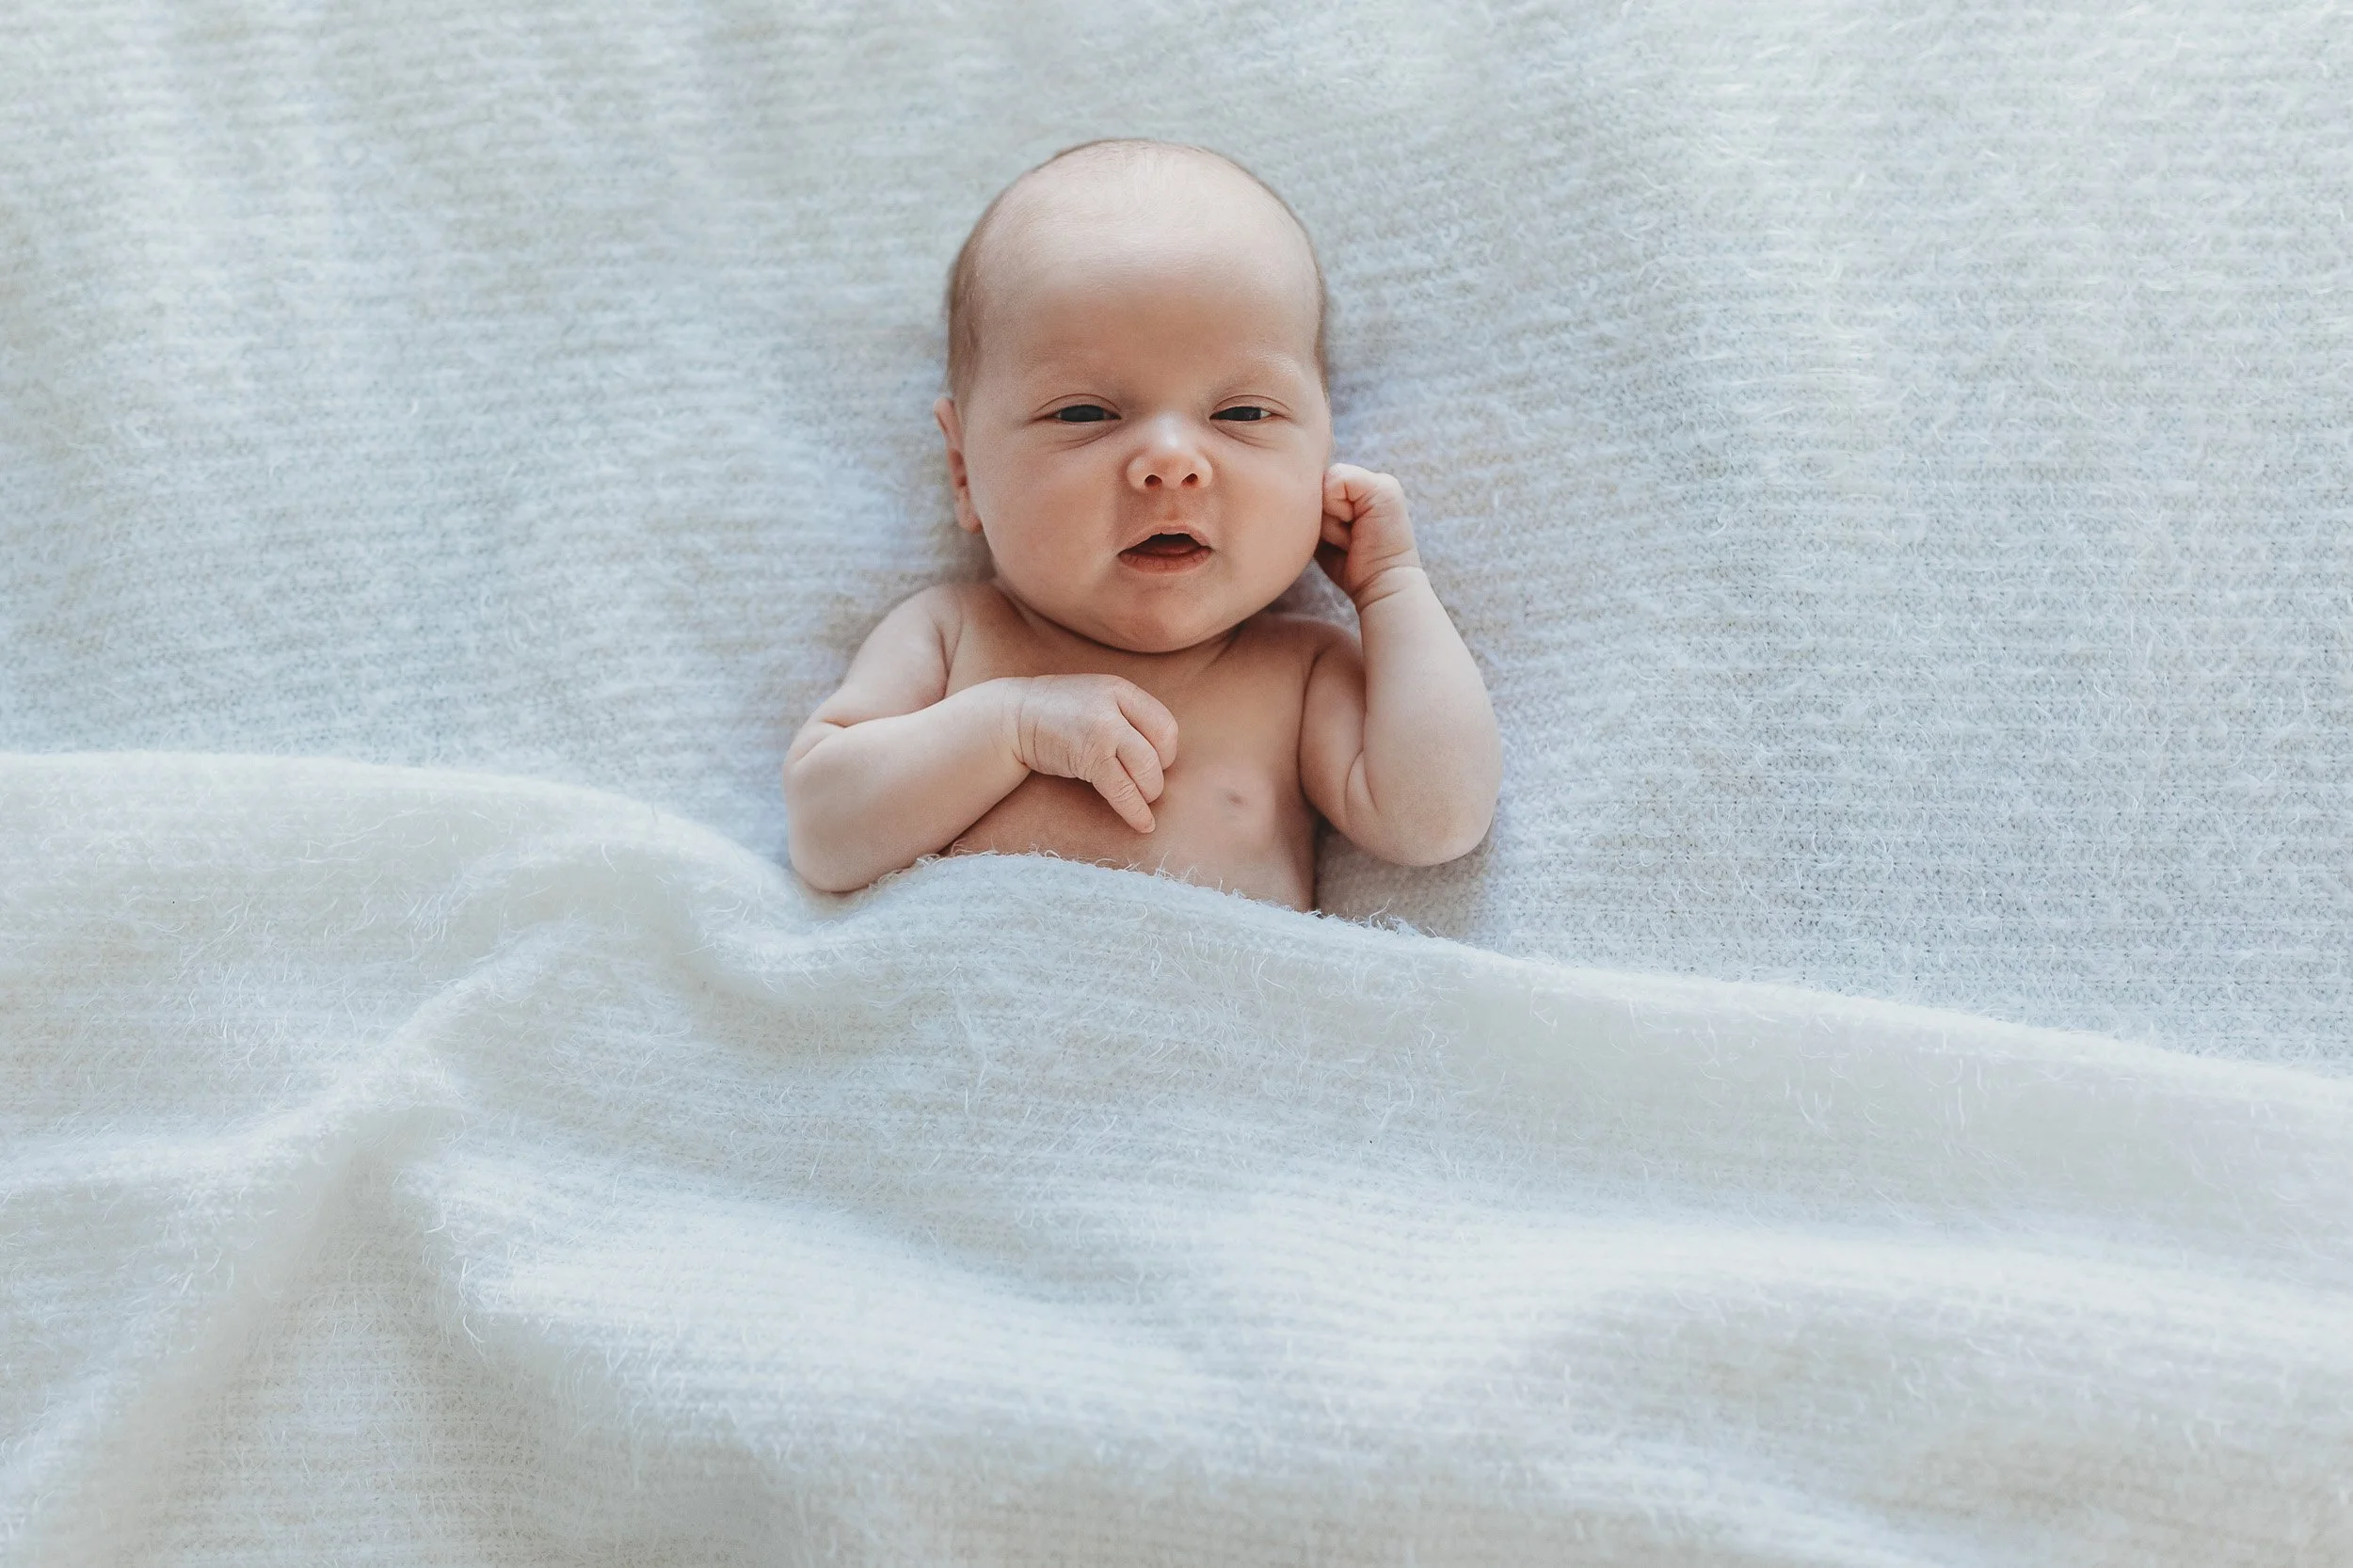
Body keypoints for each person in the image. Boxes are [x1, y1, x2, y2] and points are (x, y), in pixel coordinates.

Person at [784, 138, 1499, 911]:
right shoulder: (953, 635)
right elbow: (824, 832)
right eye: (1085, 413)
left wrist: (1392, 590)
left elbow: (1439, 820)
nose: (1170, 461)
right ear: (964, 470)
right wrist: (1010, 726)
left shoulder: (1298, 674)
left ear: (1324, 454)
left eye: (1243, 413)